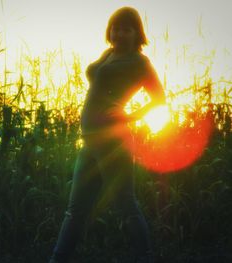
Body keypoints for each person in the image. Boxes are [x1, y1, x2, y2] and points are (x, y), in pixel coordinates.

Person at [48, 6, 166, 263]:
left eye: (126, 29)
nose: (119, 33)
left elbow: (159, 98)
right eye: (116, 27)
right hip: (91, 141)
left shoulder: (139, 62)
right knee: (76, 210)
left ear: (137, 33)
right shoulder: (109, 54)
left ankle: (145, 258)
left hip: (113, 143)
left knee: (126, 206)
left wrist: (128, 115)